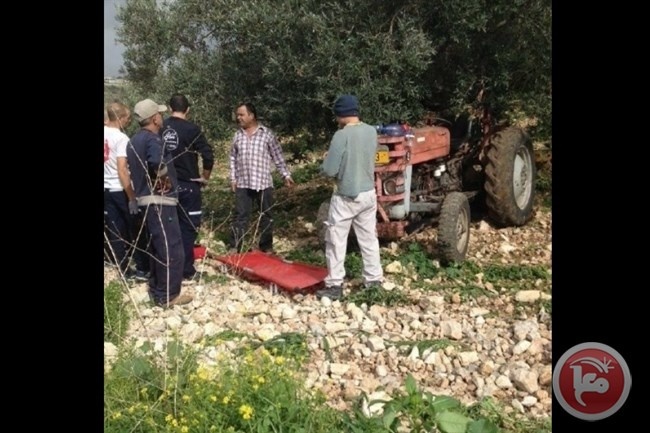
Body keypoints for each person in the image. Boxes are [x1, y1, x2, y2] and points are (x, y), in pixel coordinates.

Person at [315, 94, 384, 300]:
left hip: (346, 195)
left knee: (336, 240)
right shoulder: (371, 131)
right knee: (369, 239)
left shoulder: (341, 135)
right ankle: (373, 281)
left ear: (341, 114)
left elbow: (330, 170)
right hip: (368, 193)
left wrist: (324, 162)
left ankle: (335, 285)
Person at [126, 98, 192, 308]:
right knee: (171, 247)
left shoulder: (133, 140)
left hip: (145, 200)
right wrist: (164, 180)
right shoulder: (153, 140)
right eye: (160, 114)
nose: (162, 117)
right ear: (154, 118)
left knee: (156, 246)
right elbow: (156, 163)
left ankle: (157, 288)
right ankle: (168, 295)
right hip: (160, 201)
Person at [228, 102, 294, 254]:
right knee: (240, 215)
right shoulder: (237, 136)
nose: (238, 118)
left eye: (241, 114)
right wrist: (233, 178)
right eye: (237, 115)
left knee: (267, 215)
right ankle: (235, 246)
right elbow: (233, 158)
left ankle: (266, 246)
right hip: (243, 183)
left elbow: (277, 156)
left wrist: (286, 175)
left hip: (263, 182)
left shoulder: (267, 134)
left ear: (251, 115)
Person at [162, 94, 215, 281]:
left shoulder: (161, 127)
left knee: (169, 227)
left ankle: (168, 267)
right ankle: (186, 269)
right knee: (189, 227)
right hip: (189, 184)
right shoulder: (192, 129)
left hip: (166, 185)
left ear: (169, 108)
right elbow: (208, 155)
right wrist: (204, 177)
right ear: (188, 110)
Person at [104, 101, 150, 280]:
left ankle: (123, 269)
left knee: (115, 230)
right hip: (119, 188)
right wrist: (131, 197)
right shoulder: (122, 139)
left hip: (106, 188)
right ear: (121, 118)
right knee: (135, 228)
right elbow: (122, 169)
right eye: (128, 118)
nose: (130, 121)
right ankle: (141, 268)